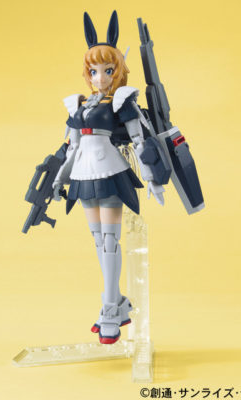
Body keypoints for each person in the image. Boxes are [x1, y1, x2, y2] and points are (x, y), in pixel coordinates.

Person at [52, 10, 164, 344]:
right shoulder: (79, 104)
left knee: (111, 241)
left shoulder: (121, 101)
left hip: (111, 170)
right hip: (83, 174)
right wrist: (59, 180)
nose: (99, 77)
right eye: (94, 71)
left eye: (107, 70)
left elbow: (140, 141)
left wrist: (152, 177)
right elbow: (71, 148)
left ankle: (110, 308)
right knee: (98, 240)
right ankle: (114, 302)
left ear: (118, 70)